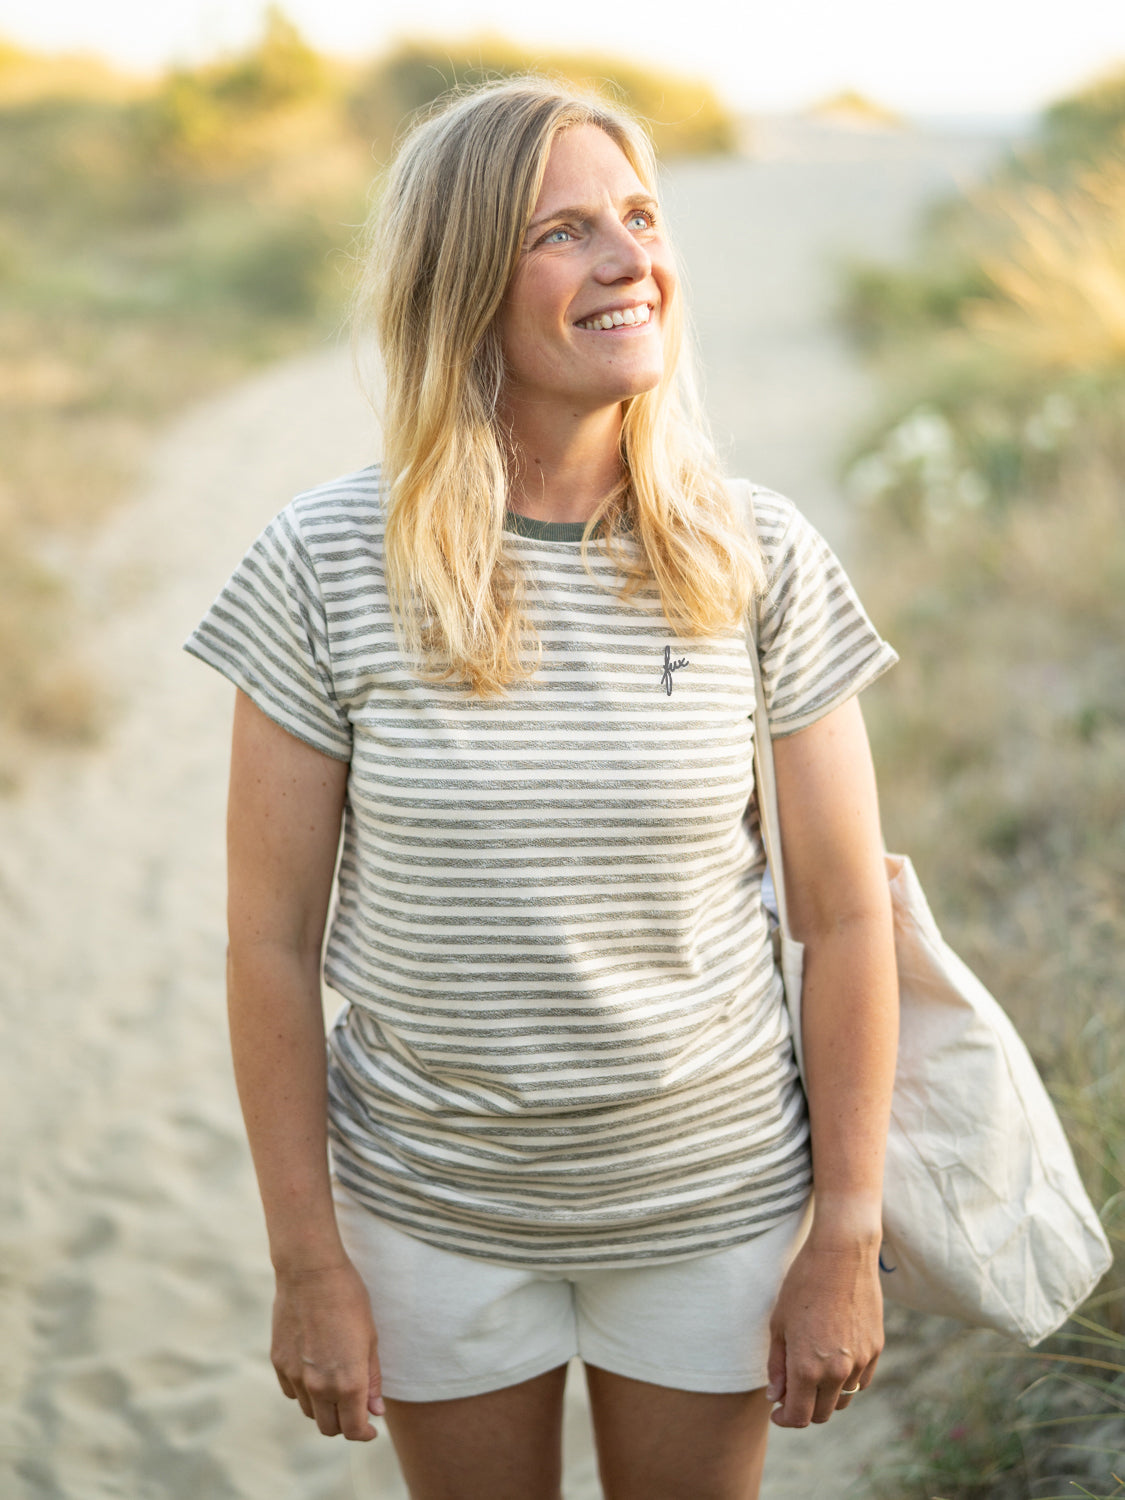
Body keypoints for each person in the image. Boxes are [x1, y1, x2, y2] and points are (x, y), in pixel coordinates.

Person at [186, 77, 900, 1500]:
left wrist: (843, 1239)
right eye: (565, 232)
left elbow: (844, 917)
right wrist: (307, 1260)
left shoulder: (754, 554)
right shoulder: (324, 563)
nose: (631, 259)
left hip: (710, 1204)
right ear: (462, 283)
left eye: (638, 217)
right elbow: (268, 943)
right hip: (431, 1214)